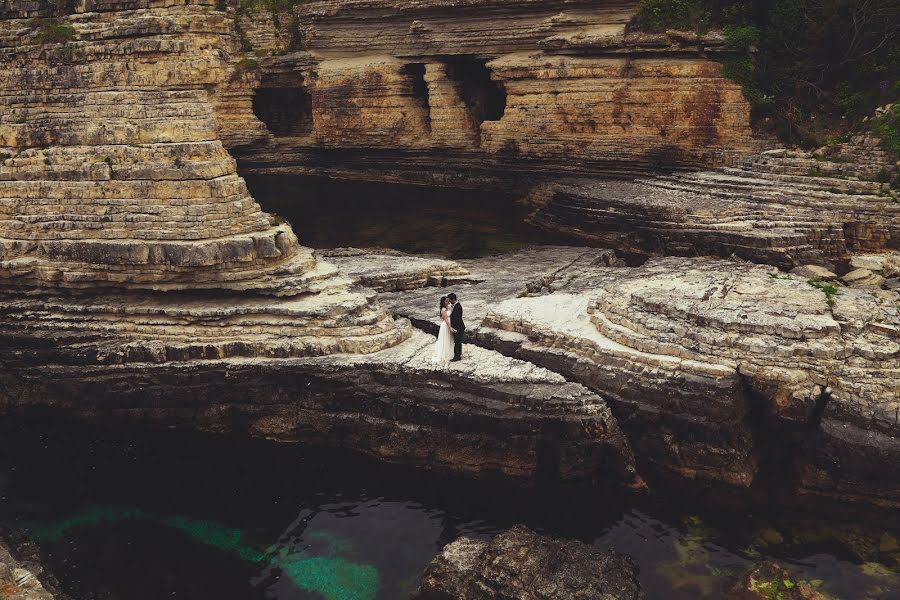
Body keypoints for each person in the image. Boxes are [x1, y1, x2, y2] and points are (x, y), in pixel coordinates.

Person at [431, 295, 455, 363]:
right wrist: (449, 327)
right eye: (446, 301)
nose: (448, 302)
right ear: (443, 302)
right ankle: (445, 352)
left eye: (448, 300)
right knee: (445, 338)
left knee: (449, 338)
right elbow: (446, 319)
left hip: (450, 323)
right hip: (446, 325)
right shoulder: (443, 309)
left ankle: (450, 350)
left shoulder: (448, 306)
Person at [448, 292, 465, 361]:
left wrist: (455, 329)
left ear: (453, 299)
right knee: (457, 342)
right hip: (458, 327)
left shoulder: (458, 307)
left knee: (458, 342)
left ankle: (457, 356)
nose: (449, 302)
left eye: (450, 300)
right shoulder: (455, 305)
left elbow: (457, 319)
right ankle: (458, 354)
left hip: (458, 327)